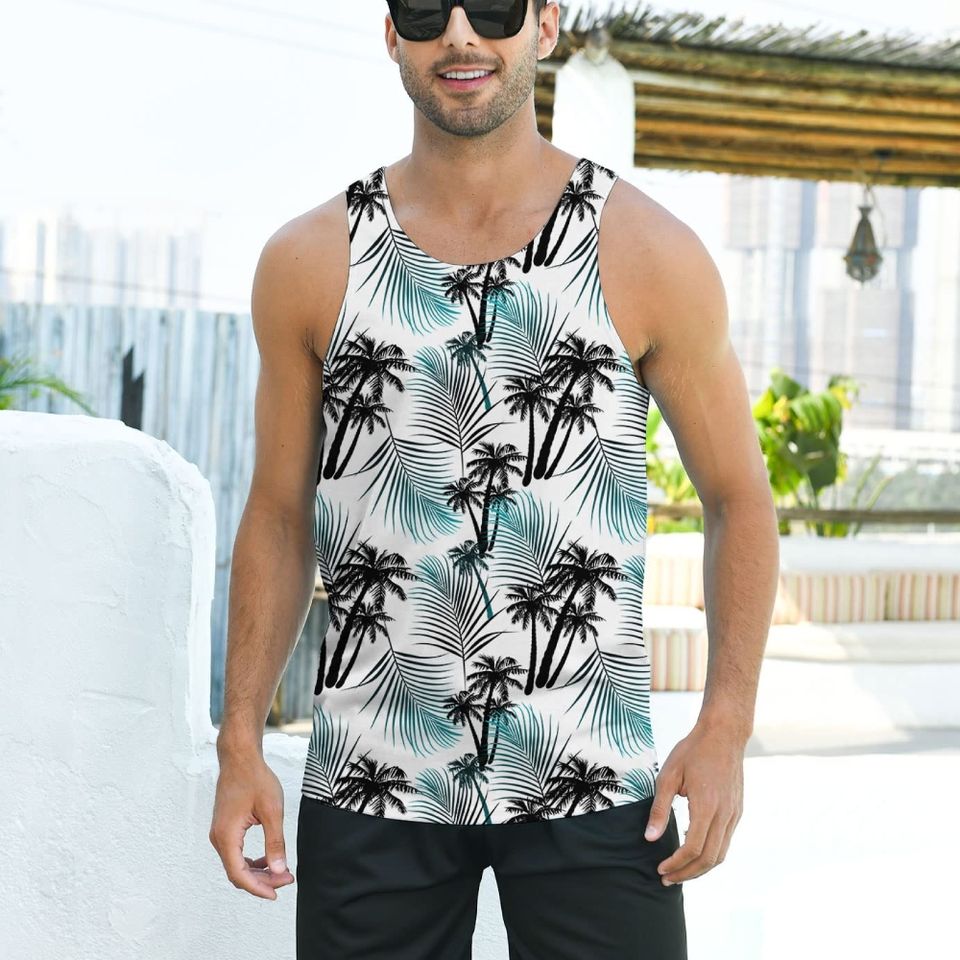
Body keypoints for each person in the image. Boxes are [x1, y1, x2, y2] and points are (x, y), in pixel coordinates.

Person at [209, 1, 780, 957]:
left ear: (545, 26)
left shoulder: (646, 251)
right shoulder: (312, 260)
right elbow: (277, 513)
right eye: (426, 9)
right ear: (392, 33)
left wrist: (727, 723)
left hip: (593, 780)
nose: (461, 35)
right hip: (369, 779)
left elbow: (739, 498)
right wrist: (240, 742)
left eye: (496, 7)